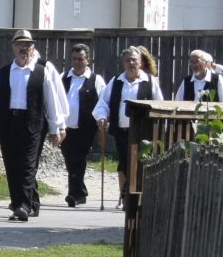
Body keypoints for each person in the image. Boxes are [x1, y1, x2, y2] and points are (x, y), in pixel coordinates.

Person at [0, 29, 70, 222]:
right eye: (20, 44)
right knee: (12, 165)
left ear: (33, 48)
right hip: (8, 123)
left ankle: (24, 205)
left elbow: (52, 103)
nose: (24, 48)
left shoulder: (42, 73)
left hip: (33, 124)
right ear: (13, 47)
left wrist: (57, 127)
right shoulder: (3, 73)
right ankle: (18, 203)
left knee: (28, 165)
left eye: (28, 45)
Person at [57, 43, 108, 209]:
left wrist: (102, 127)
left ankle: (75, 195)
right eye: (74, 59)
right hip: (66, 129)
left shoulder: (95, 80)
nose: (77, 62)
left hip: (86, 129)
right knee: (69, 159)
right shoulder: (63, 77)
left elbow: (103, 102)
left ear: (88, 60)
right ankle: (80, 191)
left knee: (78, 159)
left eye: (81, 59)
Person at [100, 47, 162, 178]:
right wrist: (101, 116)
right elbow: (103, 102)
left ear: (140, 62)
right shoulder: (116, 81)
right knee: (124, 164)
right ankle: (126, 195)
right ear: (123, 63)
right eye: (128, 60)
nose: (131, 63)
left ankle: (137, 195)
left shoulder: (150, 82)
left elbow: (160, 105)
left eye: (134, 60)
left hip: (143, 133)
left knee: (141, 165)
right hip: (121, 132)